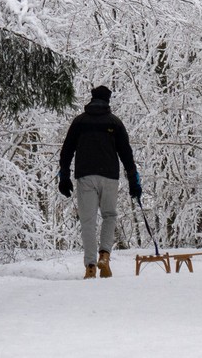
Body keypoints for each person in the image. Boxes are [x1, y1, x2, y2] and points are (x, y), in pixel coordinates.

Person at [58, 85, 142, 278]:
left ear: (92, 99)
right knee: (109, 215)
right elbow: (126, 154)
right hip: (109, 176)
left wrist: (64, 176)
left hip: (85, 175)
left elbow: (67, 151)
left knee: (88, 221)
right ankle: (104, 255)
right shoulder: (115, 122)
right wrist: (133, 181)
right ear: (107, 100)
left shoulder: (79, 122)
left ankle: (90, 266)